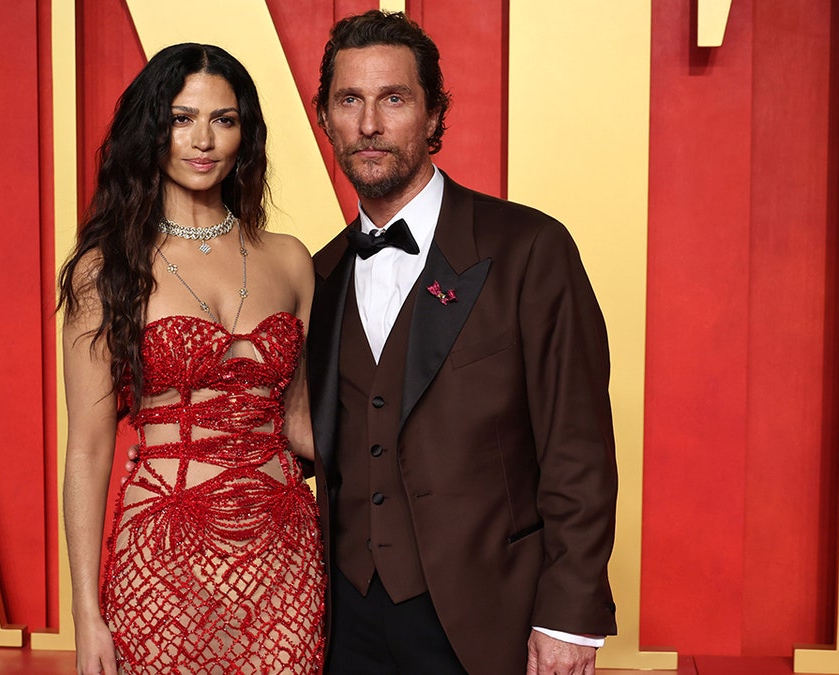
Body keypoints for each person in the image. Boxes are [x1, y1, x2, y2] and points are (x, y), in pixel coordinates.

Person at [306, 11, 619, 675]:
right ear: (325, 119)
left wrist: (569, 617)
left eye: (393, 98)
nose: (369, 124)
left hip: (486, 620)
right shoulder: (318, 275)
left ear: (432, 115)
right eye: (349, 101)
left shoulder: (528, 249)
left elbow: (578, 446)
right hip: (345, 624)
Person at [58, 43, 325, 675]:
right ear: (152, 130)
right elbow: (88, 451)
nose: (203, 140)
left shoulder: (289, 260)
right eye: (182, 118)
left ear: (245, 134)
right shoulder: (107, 271)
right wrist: (85, 614)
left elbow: (302, 426)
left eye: (223, 120)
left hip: (284, 561)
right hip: (161, 560)